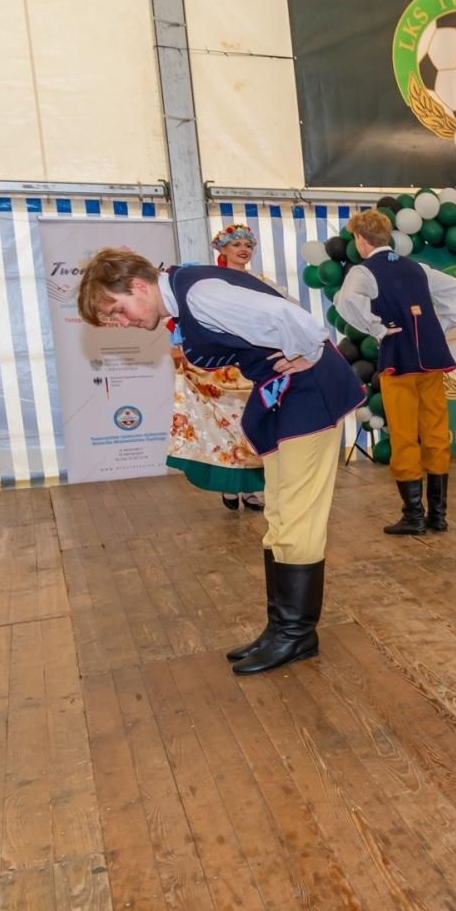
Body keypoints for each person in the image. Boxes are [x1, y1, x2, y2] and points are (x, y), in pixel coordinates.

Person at [77, 247, 365, 675]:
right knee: (280, 512)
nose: (122, 323)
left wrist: (308, 351)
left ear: (137, 285)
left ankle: (296, 634)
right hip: (286, 394)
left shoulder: (201, 295)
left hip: (309, 394)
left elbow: (297, 320)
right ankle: (281, 628)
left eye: (117, 311)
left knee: (298, 516)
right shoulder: (188, 294)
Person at [336, 210, 456, 534]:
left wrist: (378, 329)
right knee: (436, 432)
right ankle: (438, 516)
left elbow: (346, 303)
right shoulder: (418, 268)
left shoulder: (364, 271)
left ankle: (414, 516)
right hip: (432, 360)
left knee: (404, 435)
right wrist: (440, 326)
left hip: (399, 360)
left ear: (360, 239)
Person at [167, 225, 268, 511]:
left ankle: (251, 489)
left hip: (250, 363)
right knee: (223, 425)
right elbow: (181, 313)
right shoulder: (209, 280)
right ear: (222, 249)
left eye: (248, 245)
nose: (243, 249)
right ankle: (228, 486)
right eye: (236, 244)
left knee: (250, 425)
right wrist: (179, 344)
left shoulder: (261, 281)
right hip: (218, 366)